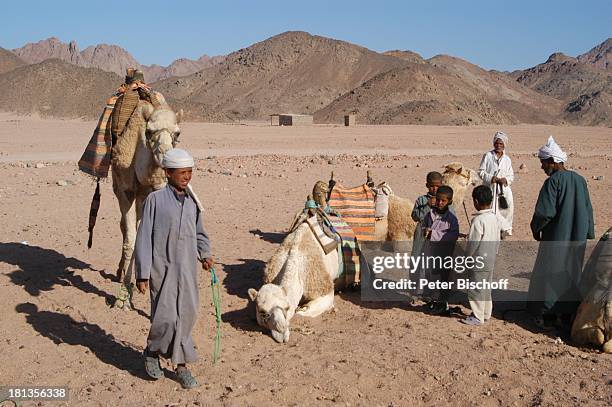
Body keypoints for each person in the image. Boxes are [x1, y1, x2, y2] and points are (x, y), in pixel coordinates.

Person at [134, 148, 213, 389]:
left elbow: (200, 233)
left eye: (190, 172)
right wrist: (143, 273)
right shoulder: (155, 200)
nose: (187, 176)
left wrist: (205, 253)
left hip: (188, 271)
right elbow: (144, 237)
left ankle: (180, 366)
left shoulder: (192, 202)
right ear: (168, 172)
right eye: (182, 172)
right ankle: (152, 350)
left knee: (186, 316)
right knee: (165, 317)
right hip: (162, 269)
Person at [527, 136, 594, 328]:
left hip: (556, 237)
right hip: (577, 237)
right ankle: (567, 316)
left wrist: (536, 228)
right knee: (572, 272)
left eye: (543, 163)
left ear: (552, 162)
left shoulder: (553, 182)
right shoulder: (580, 180)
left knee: (550, 272)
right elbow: (588, 209)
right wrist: (588, 231)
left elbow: (545, 212)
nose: (542, 167)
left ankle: (548, 317)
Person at [461, 186, 501, 326]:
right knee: (485, 287)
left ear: (476, 201)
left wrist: (467, 257)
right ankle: (485, 313)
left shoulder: (478, 221)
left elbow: (473, 243)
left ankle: (477, 316)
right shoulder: (494, 218)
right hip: (490, 258)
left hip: (478, 260)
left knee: (476, 289)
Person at [422, 185, 460, 314]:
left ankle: (442, 303)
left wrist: (433, 234)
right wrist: (425, 232)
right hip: (430, 251)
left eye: (443, 201)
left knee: (443, 278)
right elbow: (424, 226)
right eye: (438, 199)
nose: (439, 203)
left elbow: (453, 235)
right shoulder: (430, 214)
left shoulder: (451, 219)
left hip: (444, 253)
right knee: (431, 276)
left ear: (449, 201)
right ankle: (432, 300)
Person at [478, 131, 514, 236]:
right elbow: (481, 172)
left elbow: (511, 175)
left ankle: (503, 230)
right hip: (490, 188)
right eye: (497, 143)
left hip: (503, 190)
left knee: (505, 210)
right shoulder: (488, 156)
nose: (498, 145)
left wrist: (505, 180)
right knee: (488, 210)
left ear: (504, 145)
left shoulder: (507, 159)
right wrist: (491, 178)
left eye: (501, 143)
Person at [411, 171, 443, 257]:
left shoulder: (445, 201)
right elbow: (415, 216)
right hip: (422, 235)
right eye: (432, 186)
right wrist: (427, 206)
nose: (435, 188)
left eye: (438, 186)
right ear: (427, 186)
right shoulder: (421, 200)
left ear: (442, 185)